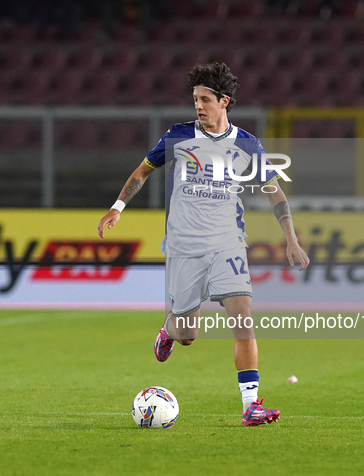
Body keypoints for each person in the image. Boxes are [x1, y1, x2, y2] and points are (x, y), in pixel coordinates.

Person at [97, 62, 309, 427]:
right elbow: (142, 171)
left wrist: (291, 239)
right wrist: (117, 207)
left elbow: (274, 192)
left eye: (205, 99)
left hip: (228, 244)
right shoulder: (178, 136)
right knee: (188, 334)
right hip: (184, 246)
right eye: (195, 98)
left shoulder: (246, 144)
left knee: (243, 321)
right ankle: (169, 330)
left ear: (224, 101)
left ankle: (250, 405)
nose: (198, 105)